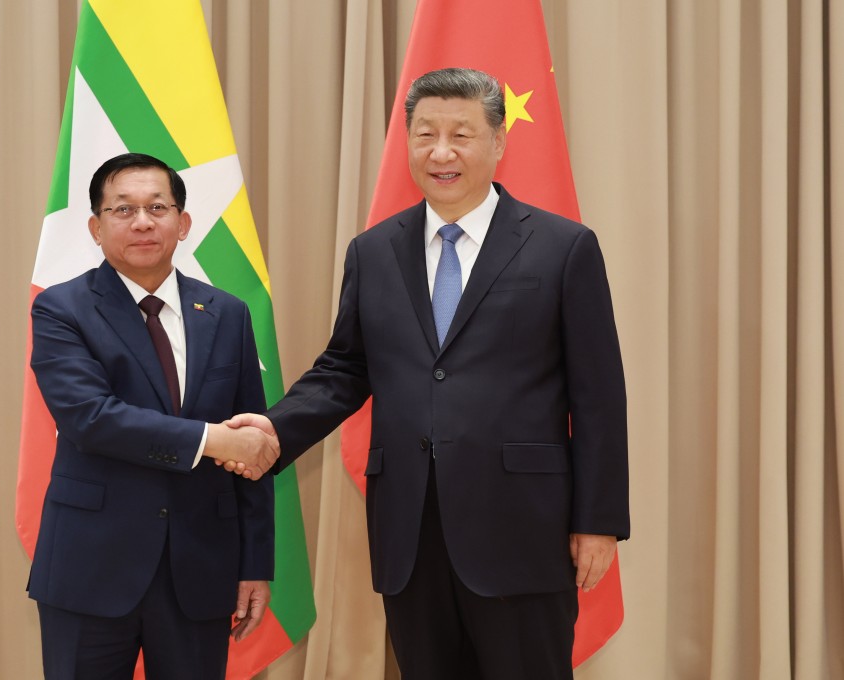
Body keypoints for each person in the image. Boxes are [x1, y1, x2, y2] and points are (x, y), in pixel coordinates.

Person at [225, 68, 629, 679]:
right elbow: (345, 367)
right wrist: (276, 431)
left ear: (498, 141)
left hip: (522, 527)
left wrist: (597, 521)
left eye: (461, 135)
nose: (441, 152)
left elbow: (598, 395)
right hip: (410, 530)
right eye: (425, 134)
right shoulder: (372, 251)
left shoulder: (562, 247)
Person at [27, 152, 279, 679]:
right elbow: (91, 418)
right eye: (123, 209)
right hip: (90, 567)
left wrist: (255, 565)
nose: (142, 221)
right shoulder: (61, 309)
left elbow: (250, 443)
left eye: (157, 208)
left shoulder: (228, 313)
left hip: (200, 568)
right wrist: (211, 440)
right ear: (96, 228)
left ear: (183, 223)